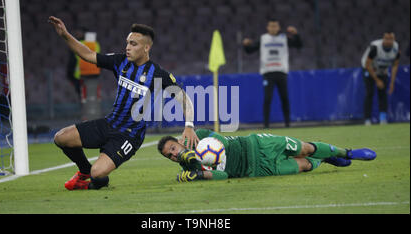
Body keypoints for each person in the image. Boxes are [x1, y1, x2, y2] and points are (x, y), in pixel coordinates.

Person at [48, 16, 199, 190]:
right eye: (127, 42)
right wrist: (65, 35)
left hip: (129, 135)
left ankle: (97, 181)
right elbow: (88, 54)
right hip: (109, 123)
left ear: (146, 47)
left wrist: (189, 125)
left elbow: (183, 98)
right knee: (61, 138)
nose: (127, 47)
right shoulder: (120, 62)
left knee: (97, 174)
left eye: (133, 44)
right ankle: (84, 172)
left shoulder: (158, 74)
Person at [157, 128, 376, 182]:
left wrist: (201, 158)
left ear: (179, 142)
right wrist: (199, 174)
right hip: (256, 170)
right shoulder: (189, 169)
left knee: (305, 148)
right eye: (170, 157)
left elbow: (221, 142)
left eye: (173, 149)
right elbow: (224, 177)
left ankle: (347, 152)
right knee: (304, 166)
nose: (174, 156)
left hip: (259, 145)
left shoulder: (199, 137)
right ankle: (324, 158)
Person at [242, 18, 302, 128]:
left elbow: (299, 45)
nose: (273, 28)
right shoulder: (263, 39)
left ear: (278, 27)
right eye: (271, 26)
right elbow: (250, 50)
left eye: (275, 26)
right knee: (267, 99)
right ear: (267, 28)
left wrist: (296, 34)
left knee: (284, 98)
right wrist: (246, 45)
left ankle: (287, 124)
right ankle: (266, 125)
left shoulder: (284, 38)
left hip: (281, 72)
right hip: (268, 73)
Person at [361, 32, 401, 125]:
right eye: (386, 39)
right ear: (383, 38)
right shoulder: (375, 47)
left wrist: (392, 83)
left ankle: (383, 119)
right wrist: (377, 80)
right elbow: (367, 64)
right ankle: (367, 119)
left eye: (391, 39)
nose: (389, 41)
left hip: (382, 70)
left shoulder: (396, 48)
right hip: (369, 68)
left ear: (394, 39)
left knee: (383, 93)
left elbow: (395, 65)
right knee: (369, 93)